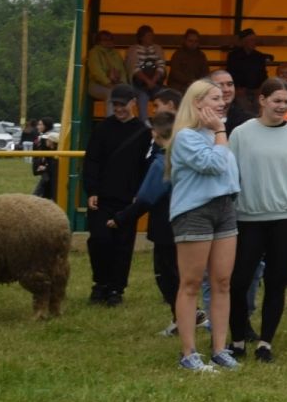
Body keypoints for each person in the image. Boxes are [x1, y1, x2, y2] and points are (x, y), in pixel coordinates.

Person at [227, 78, 287, 362]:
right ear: (262, 100)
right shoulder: (241, 134)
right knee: (239, 282)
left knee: (277, 283)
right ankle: (239, 339)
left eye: (286, 102)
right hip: (248, 219)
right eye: (276, 100)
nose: (281, 106)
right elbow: (229, 177)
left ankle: (265, 342)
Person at [165, 79, 244, 370]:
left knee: (222, 281)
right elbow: (214, 165)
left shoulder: (217, 135)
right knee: (191, 283)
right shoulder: (187, 137)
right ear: (197, 103)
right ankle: (188, 353)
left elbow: (230, 174)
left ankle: (220, 349)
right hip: (194, 211)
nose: (222, 101)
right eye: (215, 98)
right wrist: (221, 133)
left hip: (225, 208)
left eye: (222, 98)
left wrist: (219, 136)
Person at [108, 89, 185, 331]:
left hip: (166, 227)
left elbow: (146, 198)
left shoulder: (163, 162)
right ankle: (186, 315)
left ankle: (183, 316)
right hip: (186, 224)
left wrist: (120, 219)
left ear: (155, 133)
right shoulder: (185, 156)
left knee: (167, 274)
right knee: (181, 273)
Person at [82, 84, 150, 304]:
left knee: (123, 244)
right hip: (102, 196)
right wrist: (91, 190)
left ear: (133, 103)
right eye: (116, 105)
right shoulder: (102, 129)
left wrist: (138, 194)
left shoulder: (143, 133)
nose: (119, 109)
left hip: (127, 199)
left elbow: (145, 167)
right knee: (99, 240)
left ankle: (116, 288)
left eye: (123, 104)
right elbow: (92, 161)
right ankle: (100, 283)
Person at [127, 25, 167, 113]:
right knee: (142, 97)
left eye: (152, 35)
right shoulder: (133, 49)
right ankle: (143, 122)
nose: (151, 37)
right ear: (141, 37)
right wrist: (147, 81)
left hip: (156, 83)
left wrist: (153, 80)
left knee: (166, 95)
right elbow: (134, 68)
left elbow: (161, 66)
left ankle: (163, 122)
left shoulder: (157, 48)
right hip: (139, 85)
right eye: (148, 36)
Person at [85, 29, 129, 102]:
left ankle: (123, 113)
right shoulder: (94, 52)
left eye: (110, 39)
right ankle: (111, 114)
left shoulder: (116, 53)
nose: (108, 42)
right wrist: (108, 84)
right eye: (105, 40)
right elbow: (96, 72)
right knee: (111, 94)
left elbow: (122, 71)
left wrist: (123, 83)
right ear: (98, 42)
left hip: (116, 84)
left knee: (128, 93)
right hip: (97, 85)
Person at [225, 28, 270, 95]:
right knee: (242, 103)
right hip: (240, 90)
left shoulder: (259, 56)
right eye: (251, 40)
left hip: (256, 90)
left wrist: (261, 88)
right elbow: (231, 73)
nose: (254, 43)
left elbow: (263, 74)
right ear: (244, 41)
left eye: (255, 40)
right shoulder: (234, 56)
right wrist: (237, 88)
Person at [31, 119, 58, 200]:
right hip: (46, 168)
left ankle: (34, 199)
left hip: (48, 169)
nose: (38, 126)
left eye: (40, 124)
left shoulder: (47, 137)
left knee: (44, 185)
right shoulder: (42, 136)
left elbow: (47, 156)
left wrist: (44, 166)